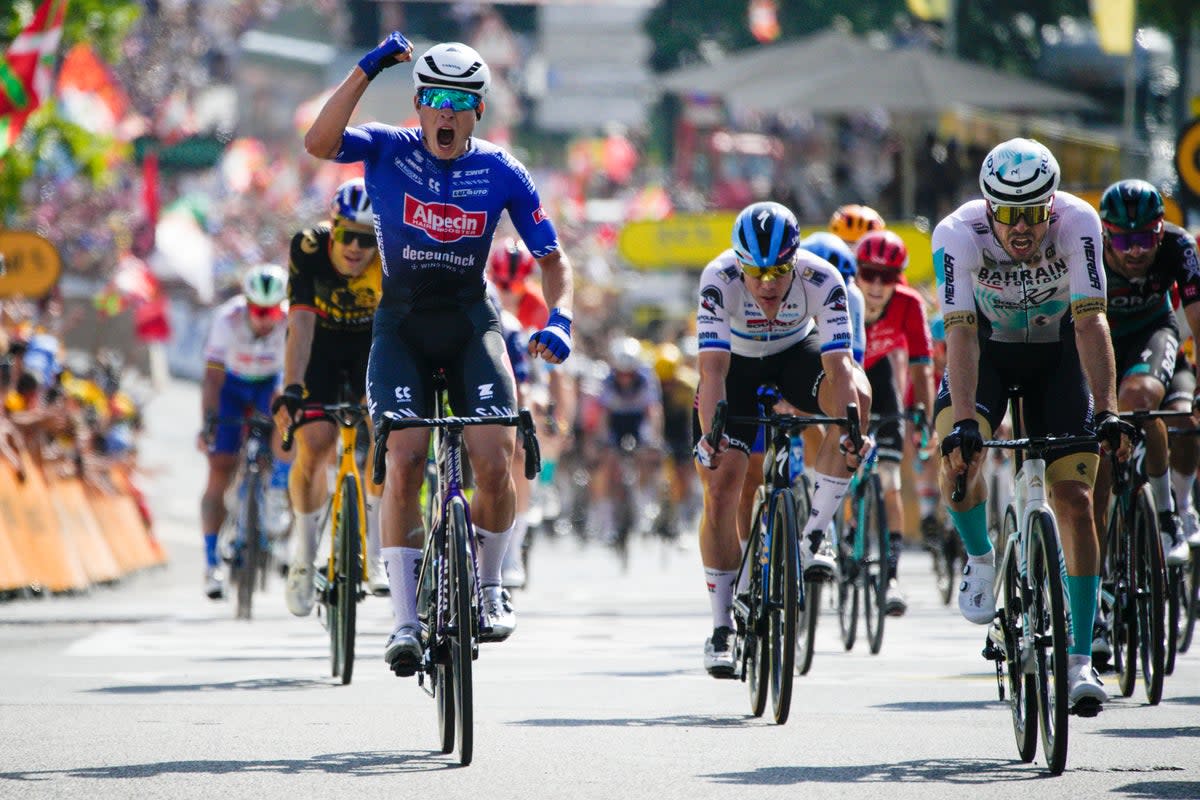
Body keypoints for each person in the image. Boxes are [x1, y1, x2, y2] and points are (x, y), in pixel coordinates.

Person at [303, 34, 574, 677]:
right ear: (419, 105)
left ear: (476, 111)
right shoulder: (388, 148)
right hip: (400, 325)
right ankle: (401, 621)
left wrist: (560, 317)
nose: (447, 115)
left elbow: (553, 260)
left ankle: (489, 585)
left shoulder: (502, 169)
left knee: (494, 455)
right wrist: (367, 68)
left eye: (461, 102)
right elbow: (318, 142)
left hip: (470, 321)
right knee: (404, 458)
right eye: (436, 101)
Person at [933, 138, 1132, 715]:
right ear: (987, 207)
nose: (1021, 228)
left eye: (1033, 212)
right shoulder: (955, 233)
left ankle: (1078, 660)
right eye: (1007, 214)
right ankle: (979, 558)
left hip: (1058, 355)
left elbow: (1092, 323)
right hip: (988, 353)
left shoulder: (1078, 223)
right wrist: (967, 422)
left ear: (1051, 205)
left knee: (1075, 498)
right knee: (958, 459)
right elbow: (962, 333)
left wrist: (1109, 409)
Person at [693, 201, 871, 678]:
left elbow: (838, 366)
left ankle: (814, 533)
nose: (767, 283)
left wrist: (851, 425)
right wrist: (713, 437)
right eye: (756, 271)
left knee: (859, 391)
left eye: (779, 270)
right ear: (739, 262)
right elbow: (711, 371)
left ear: (796, 260)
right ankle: (721, 627)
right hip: (736, 364)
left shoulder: (823, 279)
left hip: (797, 354)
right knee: (722, 485)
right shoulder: (719, 278)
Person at [272, 178, 388, 616]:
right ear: (332, 228)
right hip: (319, 345)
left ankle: (374, 551)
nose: (356, 249)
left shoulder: (390, 259)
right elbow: (299, 325)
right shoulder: (307, 247)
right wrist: (292, 389)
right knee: (315, 443)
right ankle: (303, 556)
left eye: (367, 240)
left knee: (387, 436)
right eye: (347, 236)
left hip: (369, 347)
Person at [1093, 178, 1200, 569]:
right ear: (1106, 236)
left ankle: (1168, 514)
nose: (1136, 251)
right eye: (1123, 242)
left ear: (1160, 231)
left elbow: (1197, 318)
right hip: (1098, 339)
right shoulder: (1087, 249)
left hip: (1150, 332)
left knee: (1140, 402)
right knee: (1098, 444)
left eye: (1145, 239)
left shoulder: (1178, 245)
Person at [855, 229, 937, 616]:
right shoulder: (845, 296)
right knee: (840, 466)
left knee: (890, 478)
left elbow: (922, 368)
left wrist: (924, 418)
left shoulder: (908, 303)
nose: (874, 285)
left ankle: (890, 577)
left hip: (881, 380)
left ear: (898, 280)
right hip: (846, 378)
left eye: (885, 277)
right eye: (868, 273)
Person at [198, 265, 289, 600]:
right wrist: (209, 422)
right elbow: (211, 377)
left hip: (269, 384)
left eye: (274, 310)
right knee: (220, 467)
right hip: (232, 387)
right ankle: (211, 563)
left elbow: (291, 376)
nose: (267, 318)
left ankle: (277, 488)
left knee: (285, 416)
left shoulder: (291, 318)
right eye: (259, 310)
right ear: (247, 304)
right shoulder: (227, 319)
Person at [587, 336, 665, 543]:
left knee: (645, 458)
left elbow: (653, 411)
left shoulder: (647, 376)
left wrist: (653, 439)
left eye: (629, 373)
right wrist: (601, 442)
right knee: (606, 464)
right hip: (615, 420)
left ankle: (644, 505)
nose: (625, 379)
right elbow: (602, 415)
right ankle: (607, 521)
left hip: (637, 419)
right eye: (621, 373)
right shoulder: (605, 378)